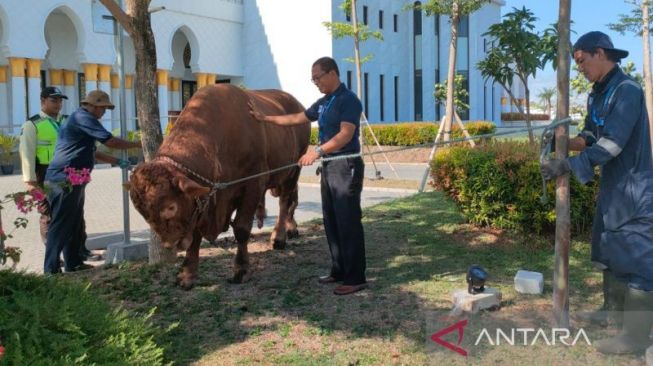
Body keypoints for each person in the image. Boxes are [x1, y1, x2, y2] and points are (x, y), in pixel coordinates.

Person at [541, 31, 653, 354]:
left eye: (581, 61)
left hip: (635, 189)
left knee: (639, 261)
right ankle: (611, 313)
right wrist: (559, 142)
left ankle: (634, 337)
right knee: (608, 252)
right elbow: (590, 136)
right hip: (613, 188)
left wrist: (567, 165)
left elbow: (612, 144)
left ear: (600, 53)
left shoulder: (627, 91)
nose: (579, 69)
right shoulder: (596, 94)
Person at [250, 56, 367, 295]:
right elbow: (298, 118)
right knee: (331, 220)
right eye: (312, 78)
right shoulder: (324, 102)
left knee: (348, 222)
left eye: (317, 77)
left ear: (332, 73)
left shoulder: (349, 101)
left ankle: (355, 278)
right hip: (329, 167)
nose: (315, 82)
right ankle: (338, 271)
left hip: (345, 165)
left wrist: (318, 151)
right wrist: (266, 118)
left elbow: (346, 134)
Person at [43, 90, 140, 274]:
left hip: (74, 179)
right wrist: (136, 144)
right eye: (103, 109)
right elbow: (110, 141)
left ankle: (73, 263)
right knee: (61, 224)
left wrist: (117, 162)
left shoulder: (81, 120)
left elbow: (92, 152)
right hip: (64, 179)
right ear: (93, 106)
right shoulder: (83, 117)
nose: (104, 113)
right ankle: (51, 270)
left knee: (75, 223)